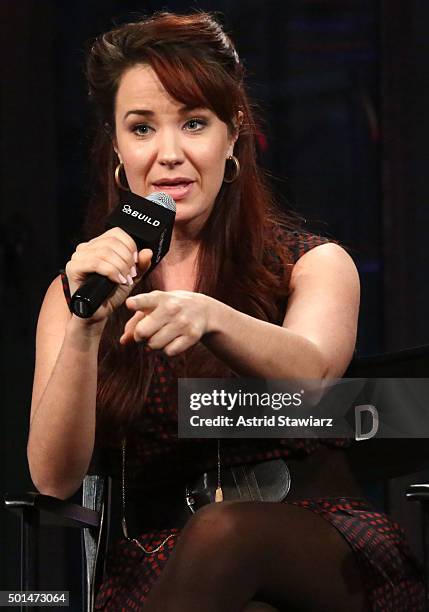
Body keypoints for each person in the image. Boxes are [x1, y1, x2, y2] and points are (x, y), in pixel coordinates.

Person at [27, 11, 425, 612]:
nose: (168, 154)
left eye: (193, 123)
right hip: (158, 558)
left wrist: (211, 317)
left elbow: (312, 378)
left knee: (225, 533)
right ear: (115, 144)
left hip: (313, 536)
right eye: (141, 129)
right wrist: (86, 326)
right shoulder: (75, 292)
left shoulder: (311, 264)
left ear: (232, 134)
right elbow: (53, 480)